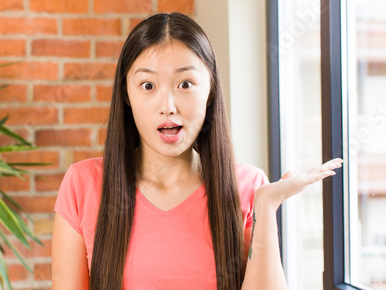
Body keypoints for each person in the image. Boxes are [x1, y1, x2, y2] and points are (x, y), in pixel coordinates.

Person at [51, 12, 342, 290]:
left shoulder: (249, 186)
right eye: (148, 85)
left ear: (211, 90)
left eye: (185, 84)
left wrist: (265, 208)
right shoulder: (83, 184)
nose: (168, 105)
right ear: (127, 94)